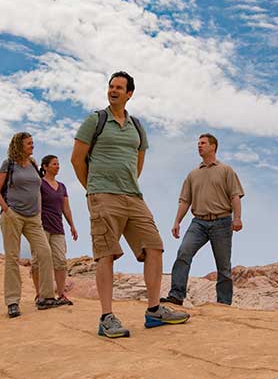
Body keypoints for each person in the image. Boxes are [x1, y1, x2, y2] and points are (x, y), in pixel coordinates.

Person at [71, 71, 190, 338]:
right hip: (103, 195)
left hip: (133, 196)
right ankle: (106, 317)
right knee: (106, 253)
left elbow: (139, 160)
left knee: (155, 246)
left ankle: (154, 311)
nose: (113, 90)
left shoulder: (136, 125)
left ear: (129, 94)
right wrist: (93, 189)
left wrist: (128, 184)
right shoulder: (95, 120)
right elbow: (77, 159)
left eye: (119, 87)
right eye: (111, 86)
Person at [161, 133, 244, 306]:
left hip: (222, 222)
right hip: (198, 223)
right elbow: (185, 200)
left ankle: (223, 303)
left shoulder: (226, 170)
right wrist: (177, 221)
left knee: (223, 267)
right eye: (198, 143)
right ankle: (176, 295)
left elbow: (235, 196)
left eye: (203, 143)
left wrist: (237, 218)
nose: (199, 146)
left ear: (213, 146)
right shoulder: (193, 174)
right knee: (183, 253)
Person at [0, 132, 59, 318]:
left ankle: (46, 298)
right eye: (29, 143)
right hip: (13, 215)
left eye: (32, 143)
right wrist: (7, 210)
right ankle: (12, 302)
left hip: (33, 218)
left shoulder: (33, 164)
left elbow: (37, 189)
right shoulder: (9, 164)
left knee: (45, 253)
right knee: (12, 257)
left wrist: (38, 211)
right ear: (19, 145)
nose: (32, 146)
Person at [32, 154, 79, 305]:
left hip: (58, 228)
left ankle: (61, 294)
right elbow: (36, 205)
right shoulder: (39, 184)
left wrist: (72, 225)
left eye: (58, 164)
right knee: (39, 261)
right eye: (54, 164)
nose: (57, 166)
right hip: (41, 228)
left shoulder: (62, 187)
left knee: (60, 261)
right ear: (45, 167)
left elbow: (66, 208)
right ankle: (40, 294)